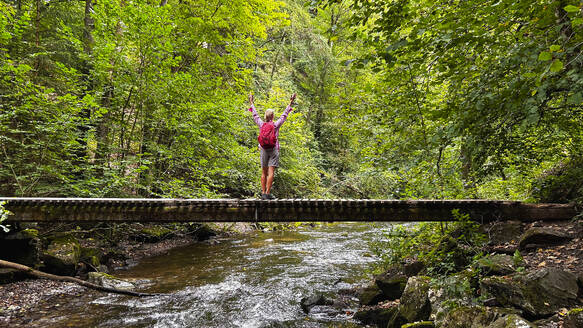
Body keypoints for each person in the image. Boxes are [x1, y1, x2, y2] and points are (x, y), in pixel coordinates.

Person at [248, 92, 296, 200]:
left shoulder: (261, 124)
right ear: (273, 116)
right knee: (271, 172)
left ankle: (263, 192)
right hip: (274, 149)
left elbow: (255, 115)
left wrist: (251, 102)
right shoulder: (275, 125)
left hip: (263, 149)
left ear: (265, 116)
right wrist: (291, 102)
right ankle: (268, 193)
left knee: (263, 172)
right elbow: (284, 115)